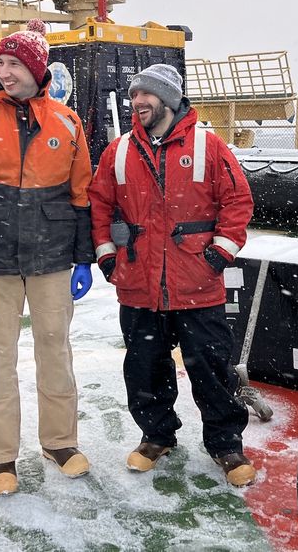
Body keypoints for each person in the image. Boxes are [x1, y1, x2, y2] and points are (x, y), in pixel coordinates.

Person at [88, 63, 258, 487]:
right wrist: (109, 258)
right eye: (133, 97)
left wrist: (219, 254)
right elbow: (99, 207)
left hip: (198, 285)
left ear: (168, 98)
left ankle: (225, 443)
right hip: (139, 285)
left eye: (145, 95)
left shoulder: (209, 147)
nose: (137, 103)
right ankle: (156, 436)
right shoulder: (119, 151)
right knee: (144, 367)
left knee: (212, 368)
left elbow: (238, 202)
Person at [0, 18, 95, 496]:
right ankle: (0, 457)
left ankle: (59, 442)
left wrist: (84, 259)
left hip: (52, 261)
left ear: (35, 68)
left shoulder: (68, 122)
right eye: (1, 63)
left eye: (13, 63)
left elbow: (81, 195)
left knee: (56, 352)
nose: (4, 72)